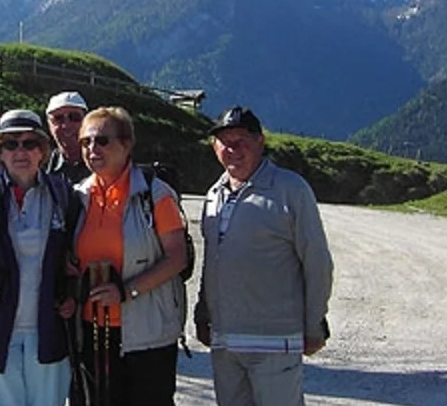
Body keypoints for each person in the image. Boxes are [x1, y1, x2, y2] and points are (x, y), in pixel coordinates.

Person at [194, 106, 334, 406]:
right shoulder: (213, 194)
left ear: (260, 141)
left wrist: (314, 323)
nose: (233, 149)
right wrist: (203, 312)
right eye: (224, 142)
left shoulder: (290, 190)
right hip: (225, 342)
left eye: (241, 140)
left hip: (275, 343)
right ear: (213, 146)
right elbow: (212, 260)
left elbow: (317, 261)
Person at [0, 109, 77, 406]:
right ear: (0, 152)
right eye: (11, 144)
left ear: (43, 151)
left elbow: (78, 258)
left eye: (29, 143)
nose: (20, 151)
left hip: (48, 332)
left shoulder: (65, 197)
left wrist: (72, 294)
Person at [72, 106, 187, 406]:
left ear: (126, 144)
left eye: (102, 141)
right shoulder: (79, 197)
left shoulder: (155, 194)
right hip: (93, 330)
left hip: (146, 334)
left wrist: (125, 291)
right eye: (85, 142)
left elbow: (177, 258)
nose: (92, 149)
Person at [45, 91, 90, 184]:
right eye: (58, 118)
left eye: (74, 117)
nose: (66, 125)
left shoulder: (104, 162)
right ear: (49, 125)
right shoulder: (40, 168)